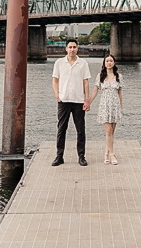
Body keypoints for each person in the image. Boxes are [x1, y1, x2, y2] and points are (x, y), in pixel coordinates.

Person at [51, 38, 91, 166]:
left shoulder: (83, 63)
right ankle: (59, 156)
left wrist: (87, 99)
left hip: (78, 100)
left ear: (77, 48)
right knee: (61, 129)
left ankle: (81, 157)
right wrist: (57, 95)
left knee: (80, 130)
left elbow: (86, 82)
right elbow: (55, 80)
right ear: (66, 48)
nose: (72, 49)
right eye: (70, 47)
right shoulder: (59, 62)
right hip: (64, 100)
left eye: (74, 47)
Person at [87, 52, 123, 165]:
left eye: (111, 61)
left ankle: (106, 153)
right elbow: (95, 91)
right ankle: (112, 155)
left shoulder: (119, 76)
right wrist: (88, 102)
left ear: (114, 63)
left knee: (112, 132)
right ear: (104, 63)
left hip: (115, 106)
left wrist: (121, 107)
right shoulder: (100, 76)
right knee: (108, 132)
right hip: (105, 106)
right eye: (107, 61)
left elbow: (120, 92)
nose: (109, 63)